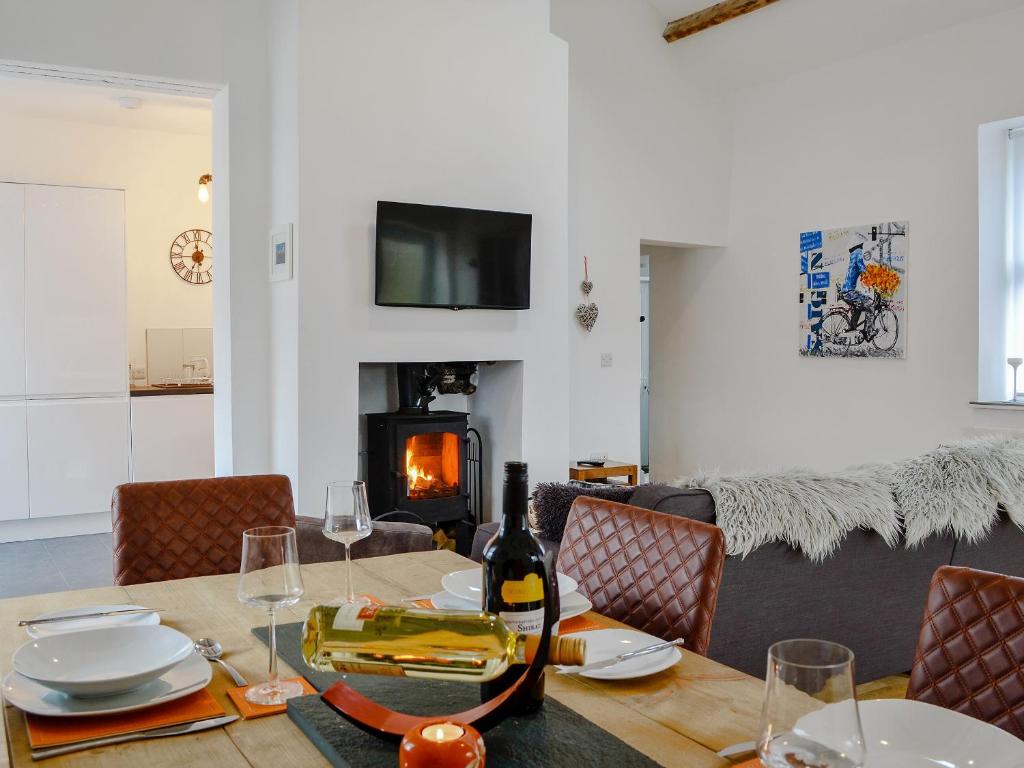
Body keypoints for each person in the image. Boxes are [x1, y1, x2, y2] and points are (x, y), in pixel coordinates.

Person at [840, 243, 875, 335]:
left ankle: (852, 327)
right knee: (870, 304)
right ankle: (869, 332)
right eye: (862, 244)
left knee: (859, 305)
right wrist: (873, 280)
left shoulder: (852, 254)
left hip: (845, 291)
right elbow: (862, 268)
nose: (863, 245)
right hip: (849, 292)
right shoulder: (858, 252)